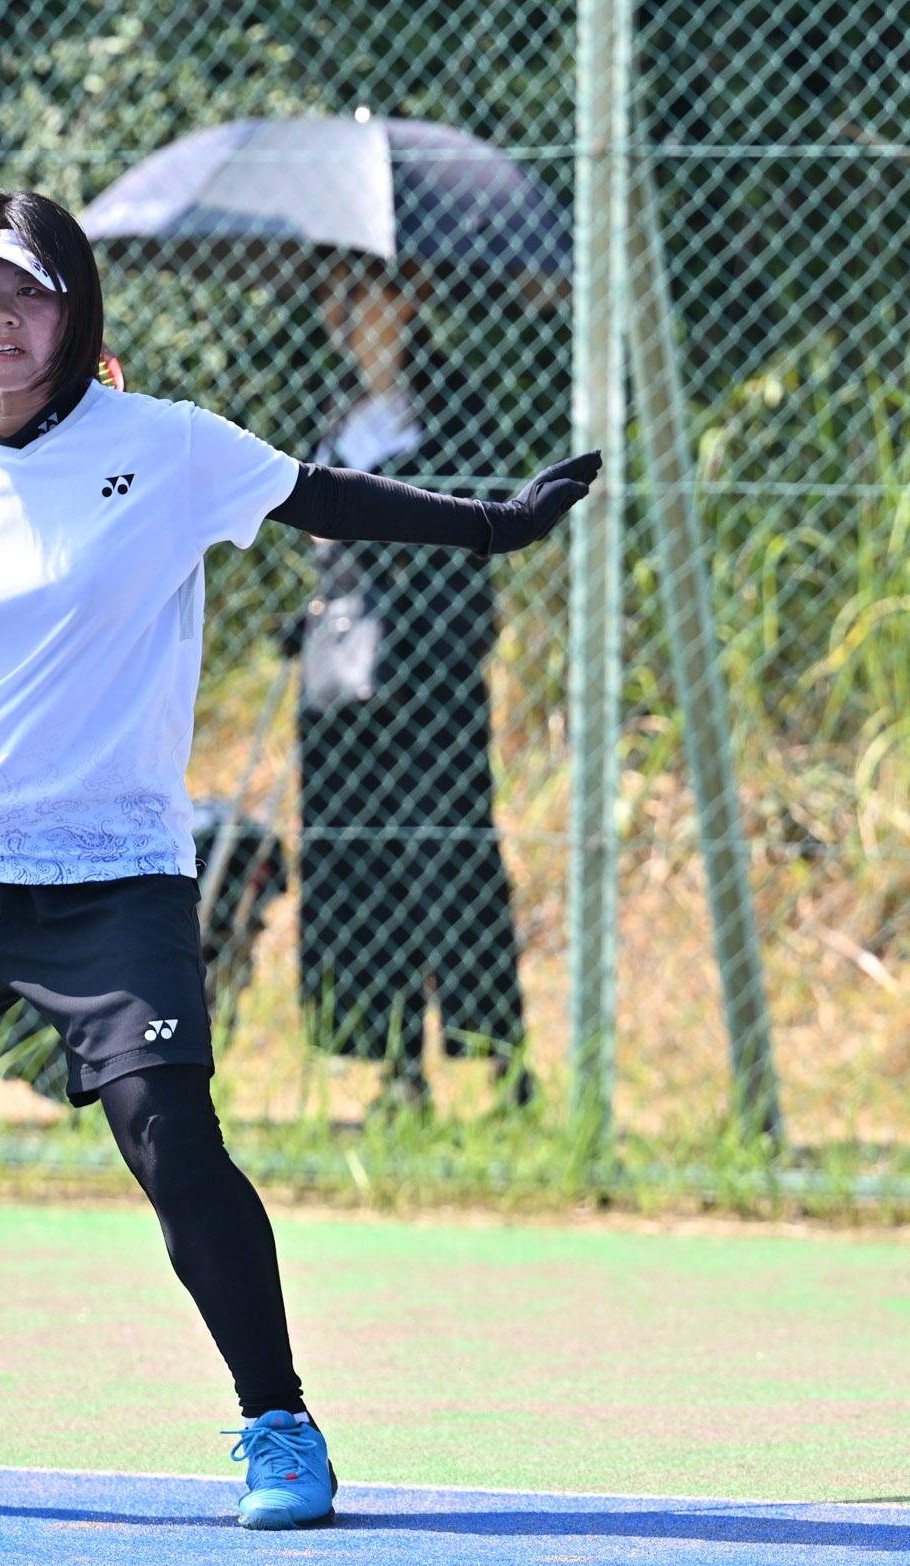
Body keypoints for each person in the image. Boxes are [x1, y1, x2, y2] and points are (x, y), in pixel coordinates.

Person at [0, 191, 597, 1527]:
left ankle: (279, 1422)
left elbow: (327, 499)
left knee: (173, 1141)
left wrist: (498, 523)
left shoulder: (169, 447)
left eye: (24, 294)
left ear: (72, 309)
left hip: (110, 875)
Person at [296, 260, 530, 1112]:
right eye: (341, 302)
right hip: (345, 679)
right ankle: (395, 1068)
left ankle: (502, 1063)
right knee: (362, 864)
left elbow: (476, 529)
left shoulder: (454, 410)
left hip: (432, 675)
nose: (354, 319)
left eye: (371, 300)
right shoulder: (329, 414)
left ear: (408, 305)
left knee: (451, 859)